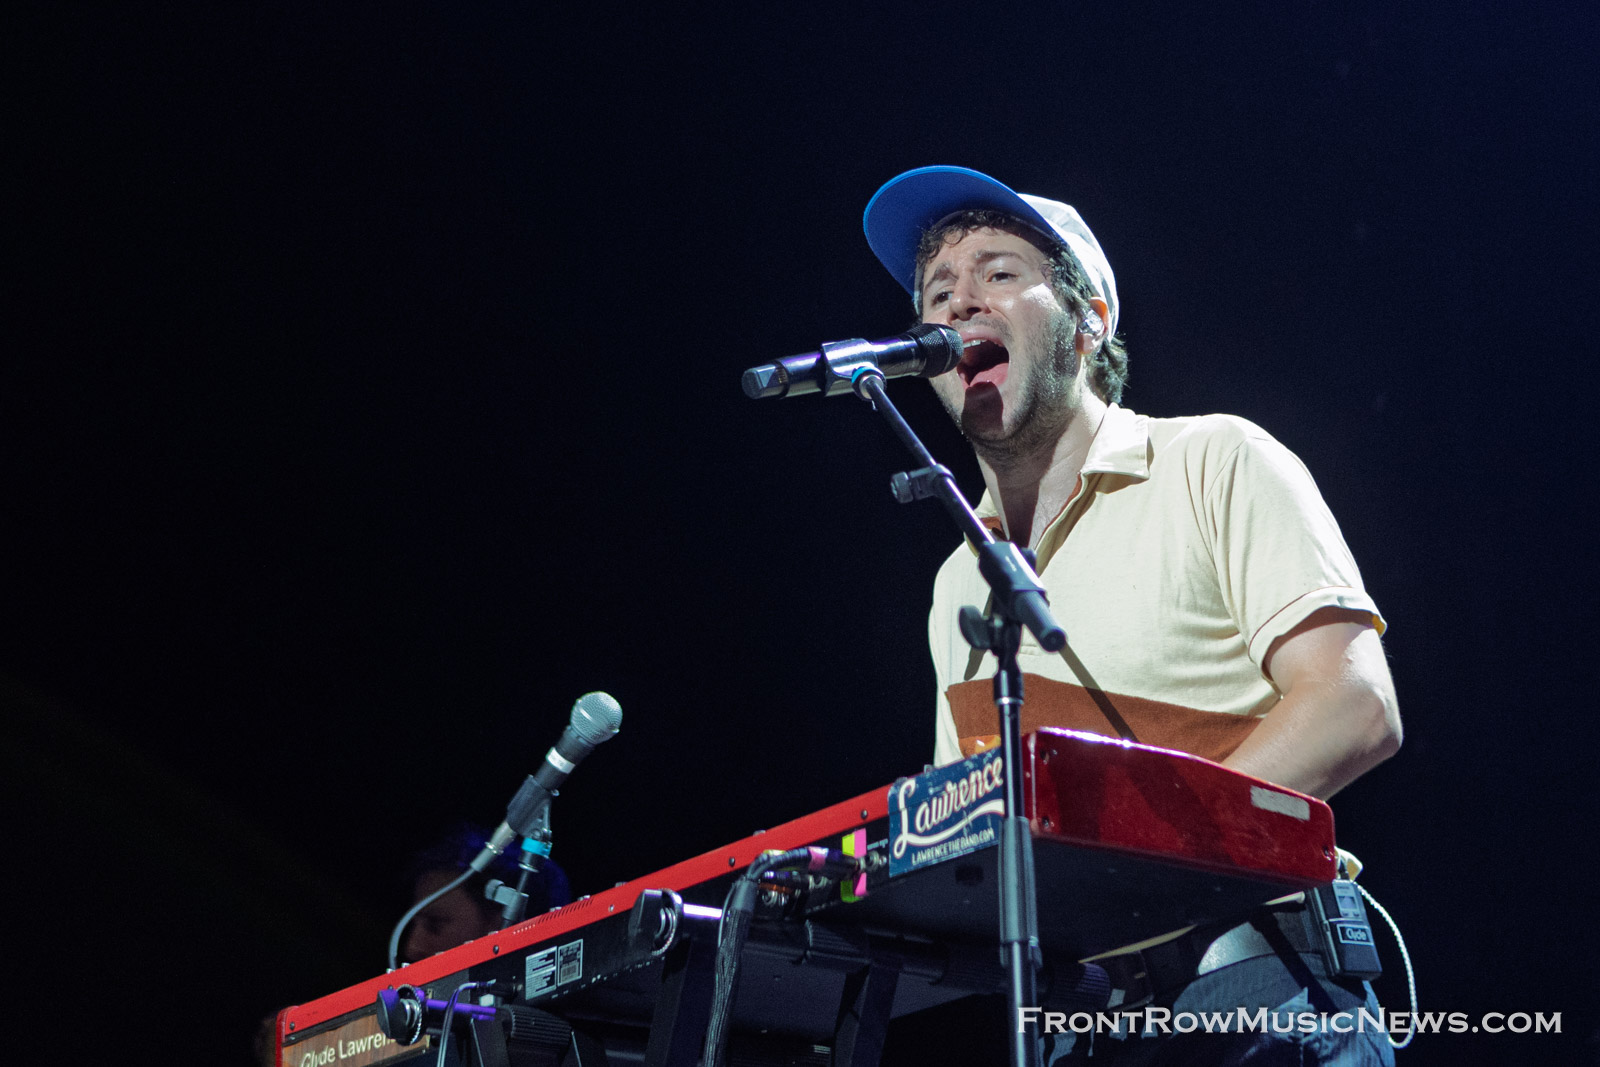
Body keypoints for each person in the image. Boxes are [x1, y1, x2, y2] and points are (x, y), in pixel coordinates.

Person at [861, 166, 1402, 1064]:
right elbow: (978, 835)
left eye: (998, 272)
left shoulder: (1215, 461)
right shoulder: (959, 582)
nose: (958, 304)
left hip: (1256, 984)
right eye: (937, 290)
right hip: (1079, 1026)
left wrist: (1152, 865)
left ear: (1090, 320)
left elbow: (1355, 704)